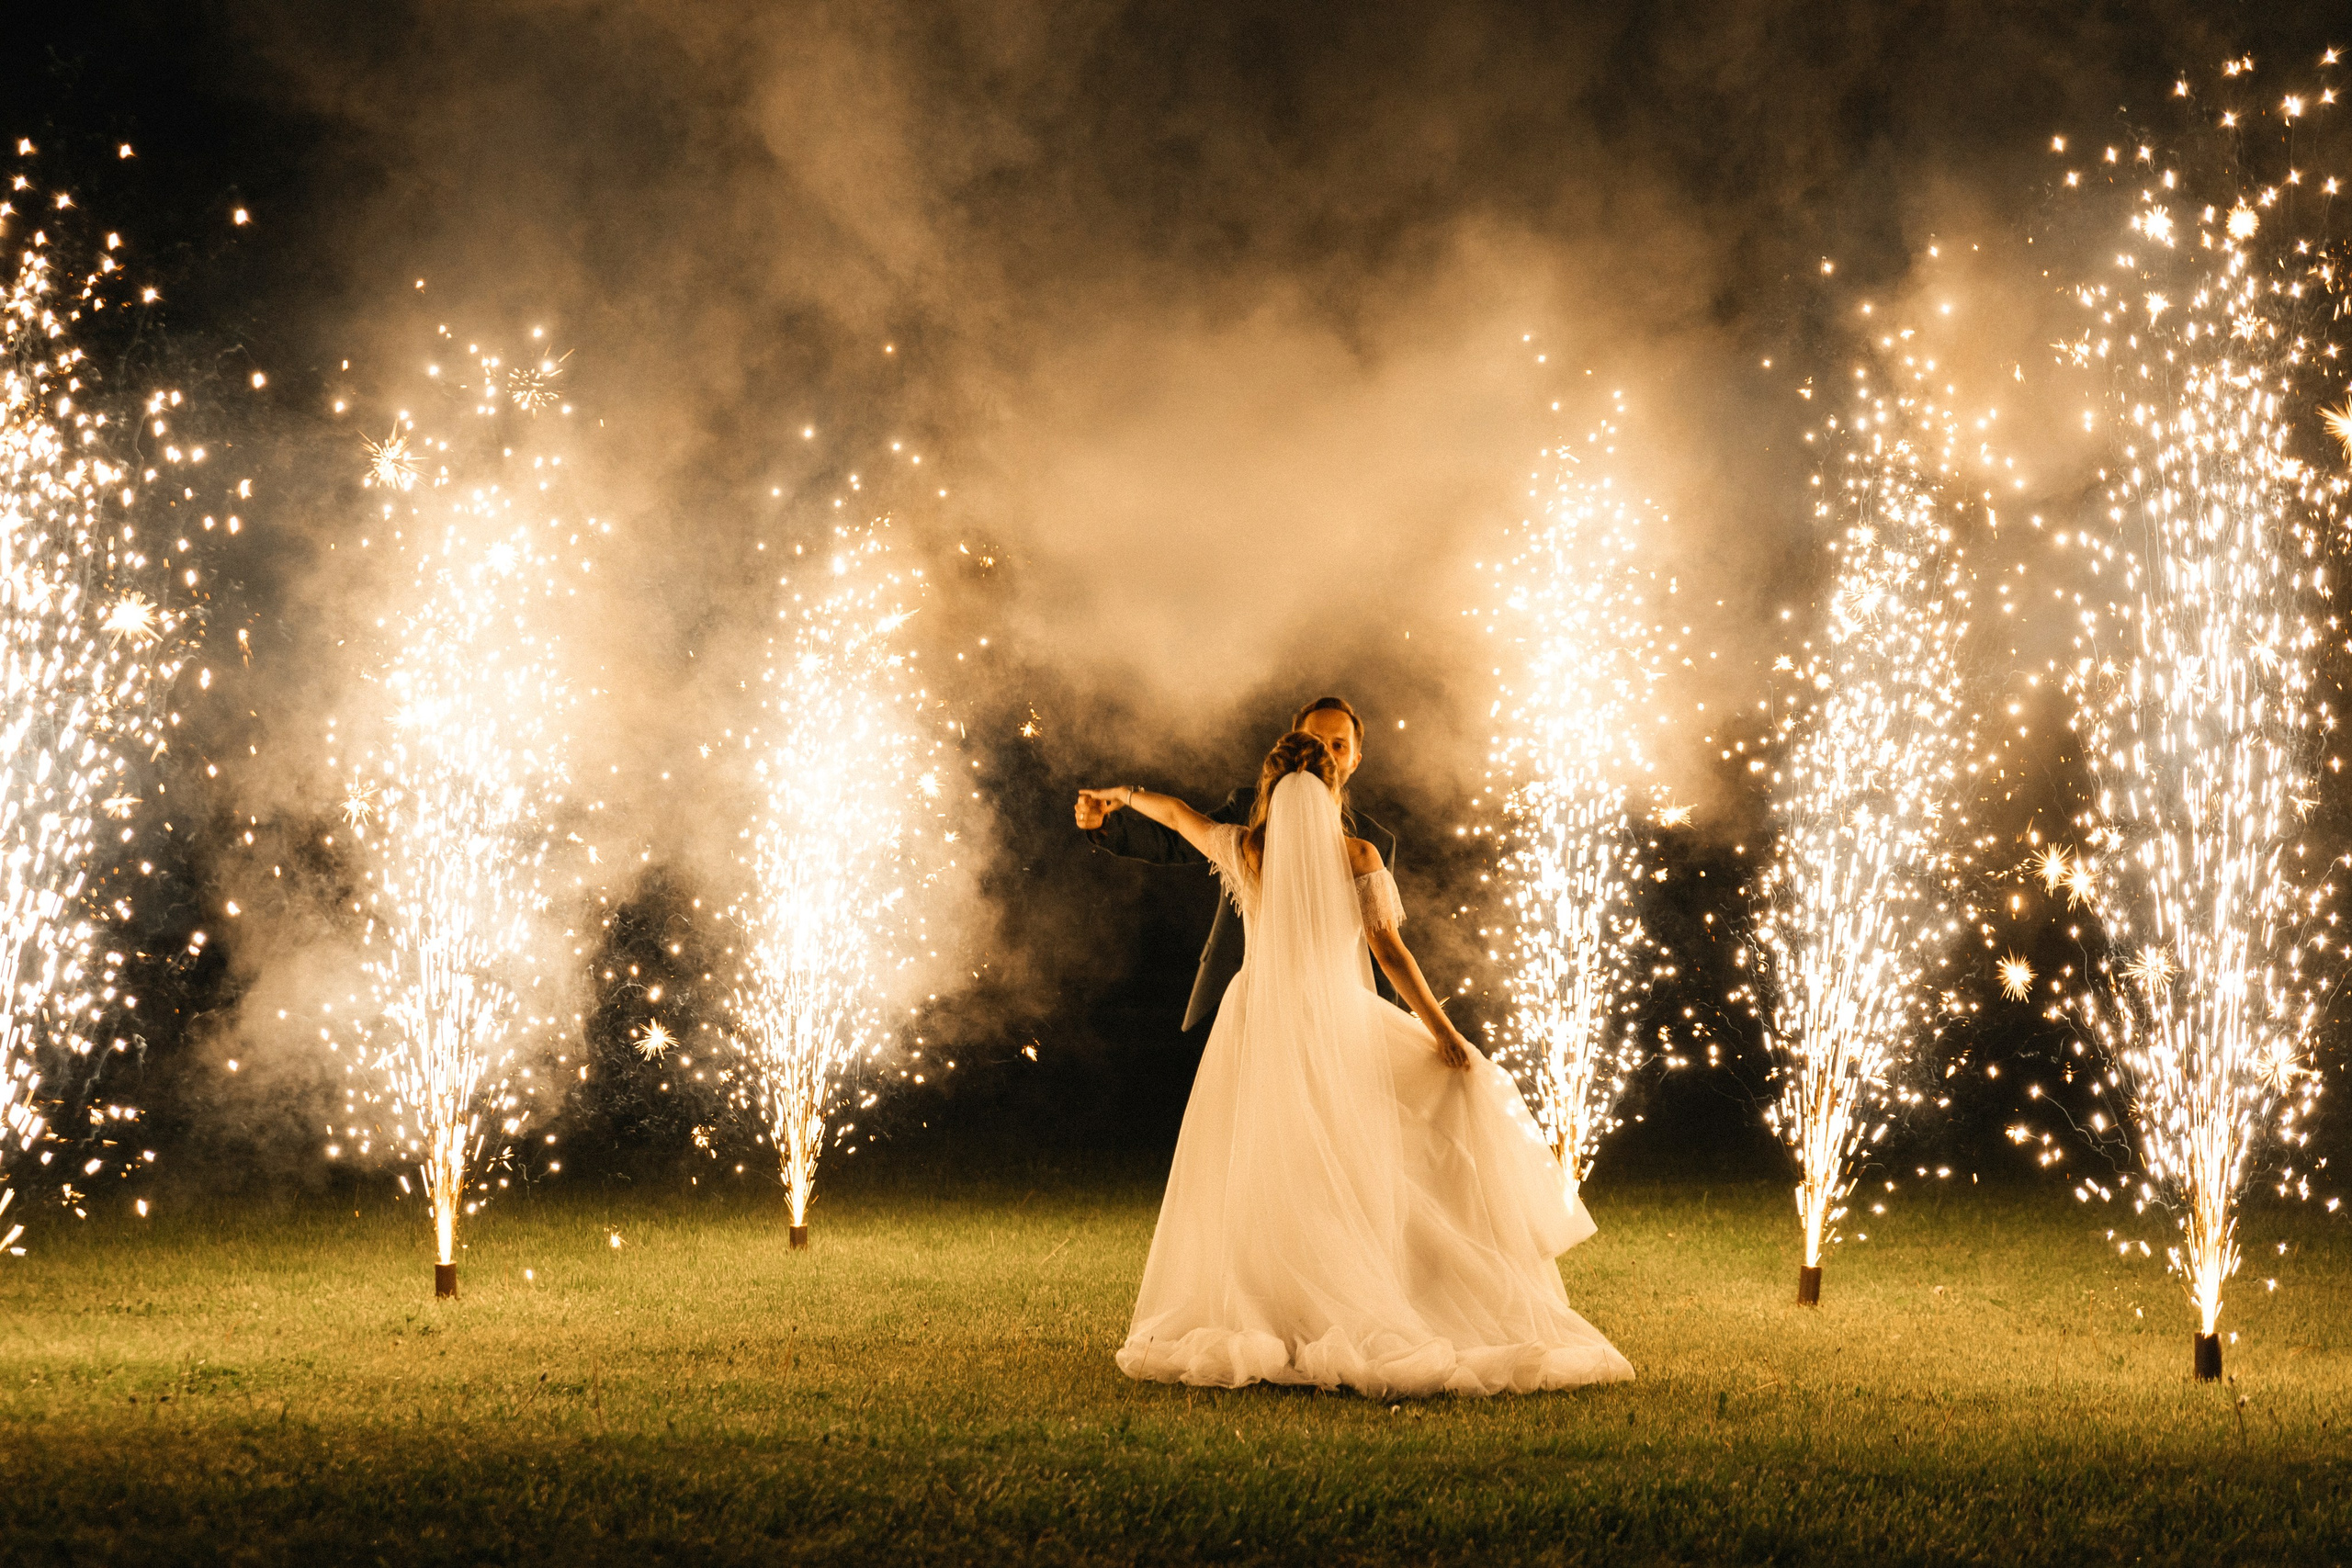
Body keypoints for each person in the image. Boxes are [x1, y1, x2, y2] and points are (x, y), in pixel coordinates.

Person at [1079, 732, 1633, 1396]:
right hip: (1336, 1014)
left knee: (1267, 1161)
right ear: (1332, 787)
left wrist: (1124, 795)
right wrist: (1443, 1030)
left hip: (1258, 1017)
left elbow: (1177, 815)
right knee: (1366, 1145)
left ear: (1269, 787)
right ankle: (1373, 1282)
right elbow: (1390, 952)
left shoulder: (1249, 848)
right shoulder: (1358, 854)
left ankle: (1275, 1299)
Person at [1076, 696, 1397, 1031]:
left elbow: (1383, 951)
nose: (1324, 754)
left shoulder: (1373, 842)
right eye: (1314, 742)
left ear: (1355, 761)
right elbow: (1175, 839)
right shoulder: (1248, 809)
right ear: (1292, 746)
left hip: (1334, 1017)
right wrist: (1106, 824)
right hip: (1234, 999)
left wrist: (1390, 1034)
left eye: (1338, 746)